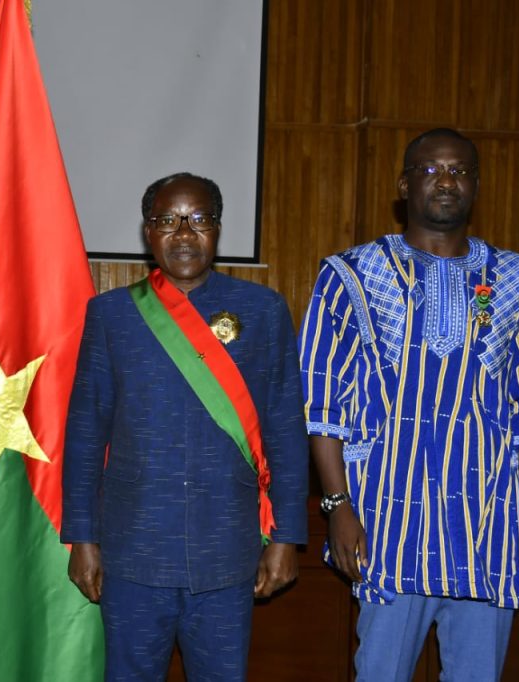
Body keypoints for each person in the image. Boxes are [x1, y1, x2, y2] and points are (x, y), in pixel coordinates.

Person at [299, 128, 519, 681]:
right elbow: (322, 402)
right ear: (404, 185)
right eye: (430, 169)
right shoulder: (351, 274)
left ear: (476, 185)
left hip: (488, 526)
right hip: (387, 524)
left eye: (459, 170)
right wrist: (338, 507)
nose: (446, 180)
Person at [62, 172, 309, 681]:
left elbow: (285, 429)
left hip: (227, 552)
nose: (183, 233)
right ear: (148, 232)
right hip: (133, 553)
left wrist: (287, 536)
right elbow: (86, 432)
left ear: (218, 229)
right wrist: (82, 537)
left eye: (198, 219)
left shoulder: (262, 310)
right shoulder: (112, 315)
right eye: (168, 220)